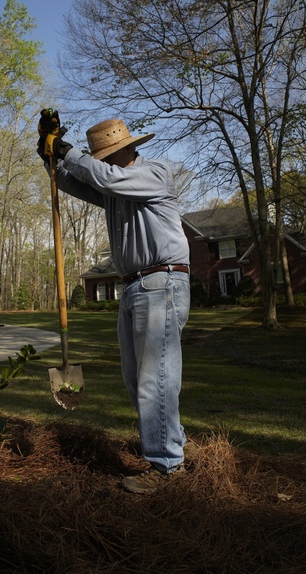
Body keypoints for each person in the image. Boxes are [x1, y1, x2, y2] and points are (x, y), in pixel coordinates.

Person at [37, 110, 191, 495]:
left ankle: (166, 465)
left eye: (102, 156)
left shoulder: (152, 174)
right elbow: (70, 183)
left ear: (122, 149)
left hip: (162, 280)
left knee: (154, 379)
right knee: (137, 379)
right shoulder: (116, 190)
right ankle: (172, 443)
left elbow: (102, 176)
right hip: (135, 288)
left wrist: (69, 150)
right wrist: (48, 154)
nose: (101, 163)